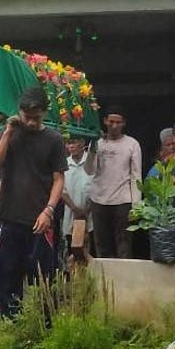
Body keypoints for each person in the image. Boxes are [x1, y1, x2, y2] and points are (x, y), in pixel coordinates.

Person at [0, 86, 65, 318]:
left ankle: (44, 326)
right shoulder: (9, 133)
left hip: (40, 219)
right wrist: (9, 132)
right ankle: (11, 322)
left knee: (43, 277)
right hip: (9, 216)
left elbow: (59, 178)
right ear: (19, 113)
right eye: (26, 117)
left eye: (36, 118)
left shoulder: (53, 139)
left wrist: (49, 210)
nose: (31, 122)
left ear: (44, 113)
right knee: (7, 274)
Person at [85, 106, 142, 258]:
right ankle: (105, 280)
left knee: (124, 245)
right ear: (105, 121)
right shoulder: (97, 142)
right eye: (111, 121)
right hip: (98, 200)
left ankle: (123, 280)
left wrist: (136, 206)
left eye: (118, 122)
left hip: (123, 201)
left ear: (124, 123)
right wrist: (92, 149)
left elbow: (136, 176)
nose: (114, 125)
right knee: (102, 246)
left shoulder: (132, 144)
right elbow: (89, 170)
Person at [62, 137, 94, 256]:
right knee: (73, 251)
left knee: (91, 250)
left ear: (82, 143)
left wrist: (86, 210)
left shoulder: (91, 161)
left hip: (90, 214)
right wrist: (75, 209)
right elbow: (61, 190)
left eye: (74, 142)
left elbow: (97, 186)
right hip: (71, 214)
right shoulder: (64, 163)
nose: (71, 146)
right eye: (68, 143)